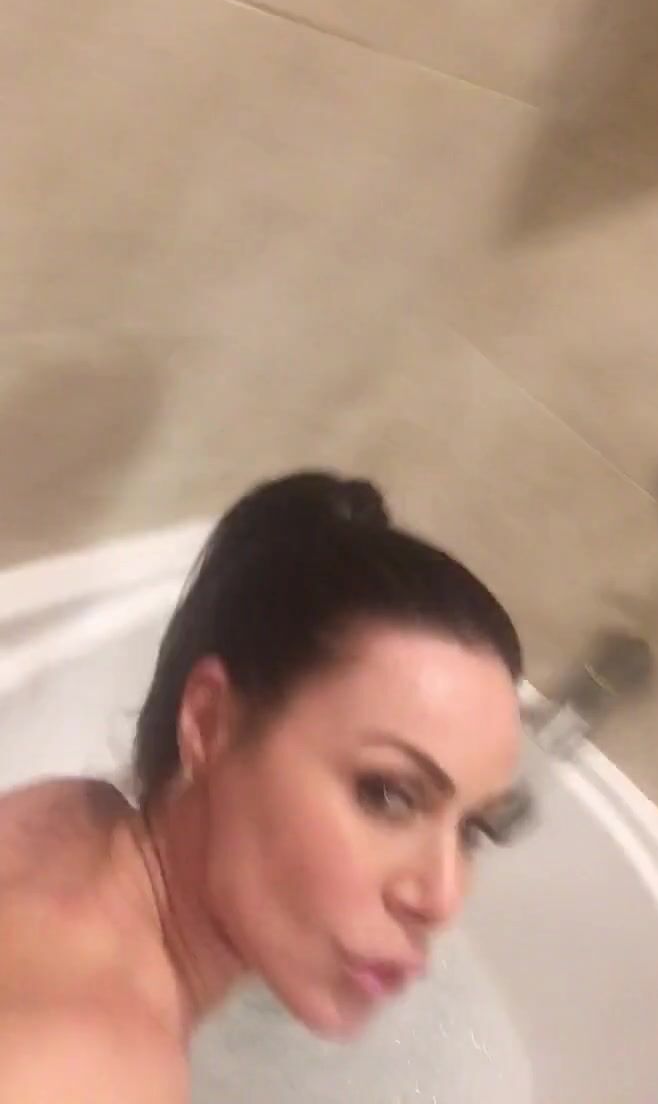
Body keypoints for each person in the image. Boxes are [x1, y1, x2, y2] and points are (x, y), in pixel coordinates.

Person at [0, 470, 522, 1103]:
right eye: (386, 794)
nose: (442, 899)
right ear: (208, 722)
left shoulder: (66, 813)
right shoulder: (105, 1073)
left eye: (474, 830)